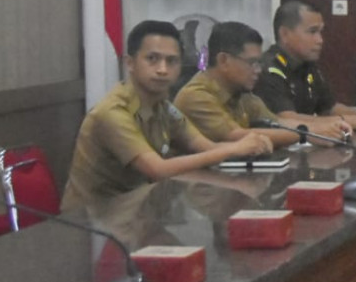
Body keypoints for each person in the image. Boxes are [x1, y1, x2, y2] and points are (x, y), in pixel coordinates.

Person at [61, 21, 273, 211]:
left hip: (137, 210)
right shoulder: (112, 112)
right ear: (130, 63)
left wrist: (252, 144)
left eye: (171, 61)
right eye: (152, 59)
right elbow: (158, 170)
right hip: (92, 222)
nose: (162, 69)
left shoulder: (163, 107)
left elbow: (205, 147)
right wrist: (235, 148)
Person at [175, 21, 343, 147]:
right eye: (252, 63)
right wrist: (307, 134)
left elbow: (277, 123)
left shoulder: (241, 94)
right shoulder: (196, 96)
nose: (258, 70)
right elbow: (238, 135)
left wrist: (328, 126)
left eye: (259, 63)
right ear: (223, 60)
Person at [255, 1, 356, 130]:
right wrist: (346, 121)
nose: (320, 40)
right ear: (285, 34)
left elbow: (329, 108)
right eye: (312, 32)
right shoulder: (268, 69)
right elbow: (287, 118)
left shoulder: (307, 66)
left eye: (320, 32)